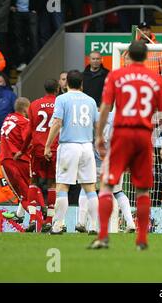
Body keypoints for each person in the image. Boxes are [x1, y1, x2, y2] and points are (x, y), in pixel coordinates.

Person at [90, 40, 162, 250]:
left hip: (121, 134)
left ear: (127, 56)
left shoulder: (116, 76)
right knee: (142, 190)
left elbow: (106, 107)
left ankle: (102, 236)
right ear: (146, 56)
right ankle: (142, 240)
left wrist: (99, 136)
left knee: (108, 185)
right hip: (144, 136)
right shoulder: (155, 78)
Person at [44, 70, 99, 235]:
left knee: (62, 186)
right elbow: (97, 126)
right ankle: (94, 226)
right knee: (90, 187)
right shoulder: (90, 101)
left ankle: (58, 225)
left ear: (66, 83)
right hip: (87, 147)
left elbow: (57, 122)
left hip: (69, 146)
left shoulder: (62, 99)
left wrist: (47, 145)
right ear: (82, 83)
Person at [15, 79, 59, 232]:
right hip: (54, 148)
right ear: (57, 88)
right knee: (52, 183)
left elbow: (29, 131)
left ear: (44, 89)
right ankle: (49, 221)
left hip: (38, 148)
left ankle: (33, 219)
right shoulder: (60, 103)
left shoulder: (34, 104)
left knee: (33, 182)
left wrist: (22, 149)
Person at [0, 97, 31, 223]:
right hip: (21, 160)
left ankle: (41, 219)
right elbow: (27, 141)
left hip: (10, 160)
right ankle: (19, 214)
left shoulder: (8, 118)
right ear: (25, 109)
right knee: (28, 192)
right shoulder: (24, 122)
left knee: (23, 195)